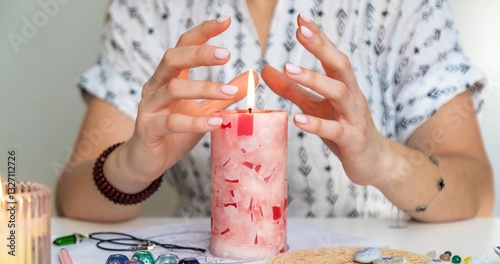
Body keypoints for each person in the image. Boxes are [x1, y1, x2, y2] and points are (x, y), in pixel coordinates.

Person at [56, 0, 494, 223]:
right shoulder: (151, 7)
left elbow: (476, 196)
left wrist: (383, 161)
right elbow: (73, 199)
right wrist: (134, 165)